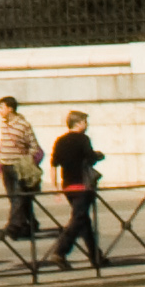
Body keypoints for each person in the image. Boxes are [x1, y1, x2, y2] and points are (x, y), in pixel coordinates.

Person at [50, 111, 108, 273]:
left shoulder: (60, 141)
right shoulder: (83, 139)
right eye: (85, 122)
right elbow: (90, 157)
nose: (87, 125)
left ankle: (96, 256)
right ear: (79, 123)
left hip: (68, 186)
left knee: (83, 221)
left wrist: (55, 186)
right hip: (83, 185)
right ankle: (60, 251)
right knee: (78, 219)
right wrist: (98, 155)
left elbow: (54, 163)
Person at [0, 97, 43, 242]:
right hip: (5, 165)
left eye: (2, 107)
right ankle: (29, 224)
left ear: (10, 108)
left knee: (19, 197)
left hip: (18, 167)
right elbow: (1, 145)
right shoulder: (4, 125)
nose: (0, 111)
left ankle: (13, 227)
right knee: (13, 197)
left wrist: (27, 162)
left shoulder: (23, 125)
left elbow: (34, 146)